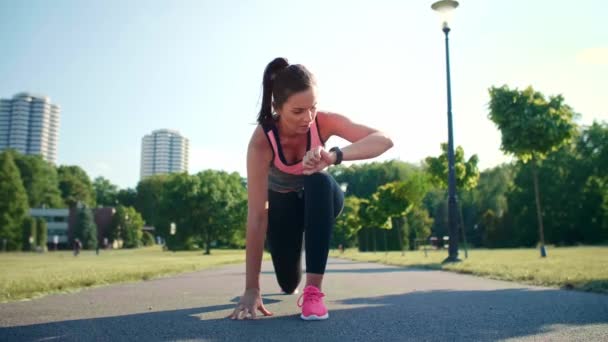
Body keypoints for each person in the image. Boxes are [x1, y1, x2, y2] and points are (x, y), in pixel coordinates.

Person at [228, 57, 393, 321]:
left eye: (312, 108)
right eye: (298, 111)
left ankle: (314, 292)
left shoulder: (323, 122)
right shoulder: (262, 142)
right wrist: (251, 288)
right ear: (277, 108)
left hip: (319, 202)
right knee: (287, 283)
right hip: (283, 215)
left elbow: (384, 140)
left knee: (319, 180)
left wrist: (333, 156)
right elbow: (258, 215)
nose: (308, 118)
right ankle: (296, 264)